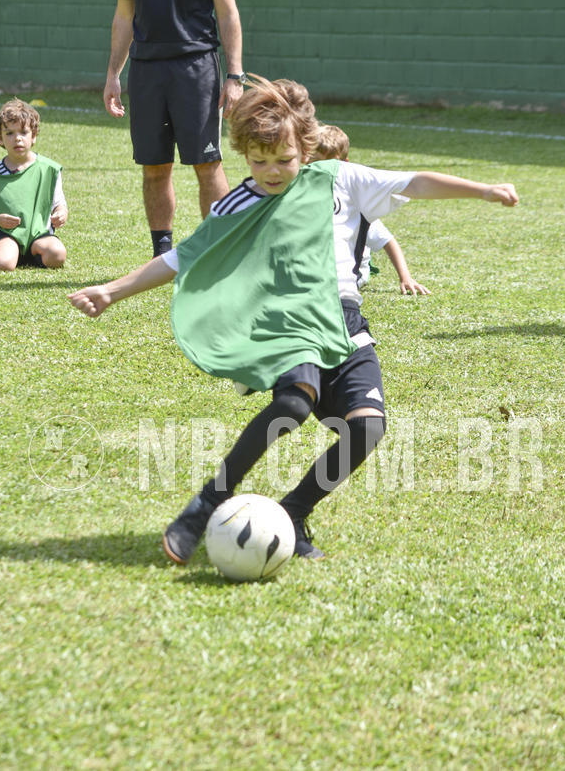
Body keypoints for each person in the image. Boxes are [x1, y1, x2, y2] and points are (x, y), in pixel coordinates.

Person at [68, 76, 518, 564]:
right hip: (287, 320)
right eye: (258, 162)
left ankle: (294, 514)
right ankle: (207, 503)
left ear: (306, 147)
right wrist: (112, 291)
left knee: (366, 429)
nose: (272, 172)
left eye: (283, 160)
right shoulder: (239, 202)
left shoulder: (340, 180)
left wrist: (484, 190)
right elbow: (185, 257)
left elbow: (413, 181)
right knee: (293, 405)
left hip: (343, 320)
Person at [104, 0, 245, 256]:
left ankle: (220, 249)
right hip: (146, 71)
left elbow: (228, 14)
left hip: (196, 68)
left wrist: (234, 76)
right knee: (154, 165)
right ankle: (162, 252)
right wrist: (113, 74)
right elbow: (123, 17)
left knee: (207, 163)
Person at [312, 123, 430, 295]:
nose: (322, 170)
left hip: (350, 273)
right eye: (314, 162)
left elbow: (388, 241)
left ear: (345, 164)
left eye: (329, 164)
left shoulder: (350, 203)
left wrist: (406, 278)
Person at [0, 99, 67, 272]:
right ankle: (8, 256)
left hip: (39, 235)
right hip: (6, 235)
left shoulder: (49, 170)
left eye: (23, 132)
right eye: (9, 133)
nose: (17, 139)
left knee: (57, 255)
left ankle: (28, 255)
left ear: (34, 136)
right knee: (5, 264)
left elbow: (59, 204)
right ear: (0, 139)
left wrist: (61, 214)